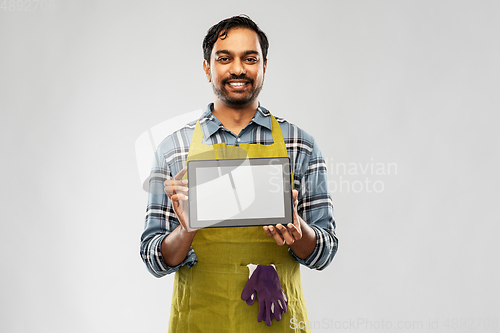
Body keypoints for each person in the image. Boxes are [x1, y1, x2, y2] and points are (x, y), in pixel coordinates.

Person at [140, 15, 338, 332]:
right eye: (224, 58)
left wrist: (297, 228)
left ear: (264, 65)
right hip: (201, 322)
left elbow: (324, 253)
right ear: (207, 68)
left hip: (279, 323)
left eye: (250, 58)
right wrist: (186, 229)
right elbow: (154, 258)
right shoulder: (173, 148)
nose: (238, 69)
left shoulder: (300, 146)